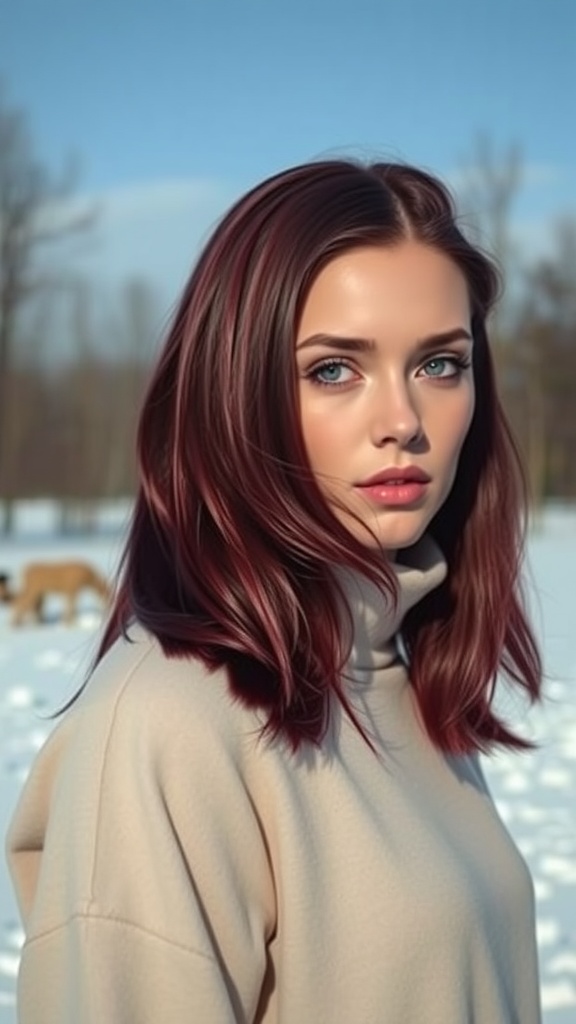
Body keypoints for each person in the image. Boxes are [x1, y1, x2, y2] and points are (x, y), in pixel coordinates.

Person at [6, 158, 543, 1023]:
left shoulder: (394, 666)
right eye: (334, 370)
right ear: (234, 394)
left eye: (441, 364)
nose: (403, 420)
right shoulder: (165, 728)